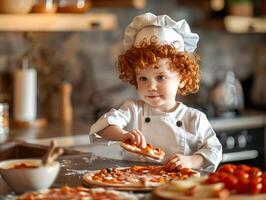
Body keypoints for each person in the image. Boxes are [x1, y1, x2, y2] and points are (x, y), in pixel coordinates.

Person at [89, 13, 222, 173]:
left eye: (161, 77)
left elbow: (213, 151)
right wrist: (123, 135)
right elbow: (103, 127)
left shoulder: (194, 119)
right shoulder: (133, 110)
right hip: (133, 183)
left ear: (183, 78)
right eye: (143, 78)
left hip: (179, 190)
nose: (151, 86)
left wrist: (192, 160)